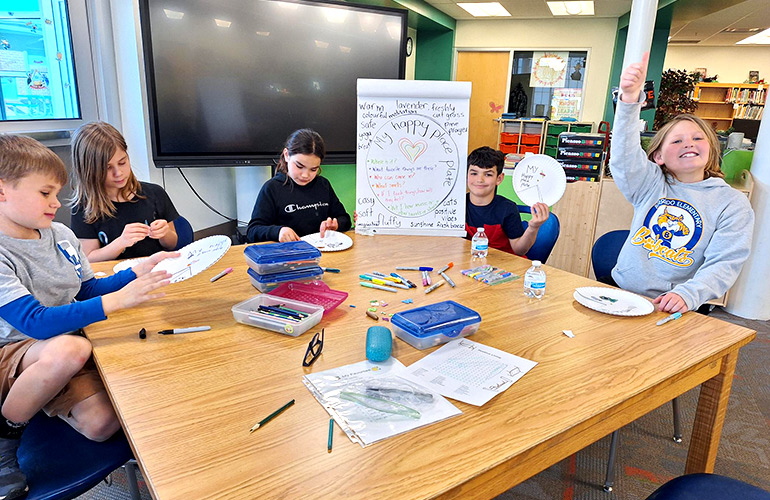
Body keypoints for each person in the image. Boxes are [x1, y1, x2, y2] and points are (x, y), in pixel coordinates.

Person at [0, 134, 175, 499]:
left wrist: (138, 271)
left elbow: (86, 291)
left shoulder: (60, 234)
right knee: (69, 351)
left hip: (66, 341)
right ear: (3, 192)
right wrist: (118, 302)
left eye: (57, 192)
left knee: (102, 424)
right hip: (17, 349)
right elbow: (33, 322)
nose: (56, 202)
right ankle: (5, 442)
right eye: (45, 193)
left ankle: (44, 397)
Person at [608, 53, 754, 313]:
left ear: (711, 148)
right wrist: (629, 103)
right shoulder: (649, 184)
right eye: (676, 141)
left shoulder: (732, 203)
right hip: (624, 294)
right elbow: (624, 155)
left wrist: (688, 294)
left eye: (698, 138)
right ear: (658, 157)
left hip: (680, 305)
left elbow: (725, 262)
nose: (688, 143)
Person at [69, 122, 180, 262]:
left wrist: (164, 234)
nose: (118, 173)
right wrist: (121, 242)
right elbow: (89, 259)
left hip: (157, 272)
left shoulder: (155, 193)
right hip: (117, 279)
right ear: (90, 171)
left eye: (122, 162)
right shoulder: (83, 207)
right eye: (107, 168)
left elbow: (172, 243)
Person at [246, 129, 351, 243]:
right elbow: (253, 231)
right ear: (287, 155)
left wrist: (336, 225)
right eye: (299, 166)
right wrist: (278, 231)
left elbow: (345, 219)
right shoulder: (272, 188)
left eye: (313, 169)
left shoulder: (323, 185)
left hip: (321, 251)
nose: (305, 175)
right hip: (288, 254)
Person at [465, 146, 549, 256]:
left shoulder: (507, 209)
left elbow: (519, 250)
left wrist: (533, 227)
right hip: (469, 265)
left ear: (499, 179)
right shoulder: (456, 205)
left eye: (488, 174)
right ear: (466, 175)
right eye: (474, 173)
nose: (480, 180)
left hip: (503, 266)